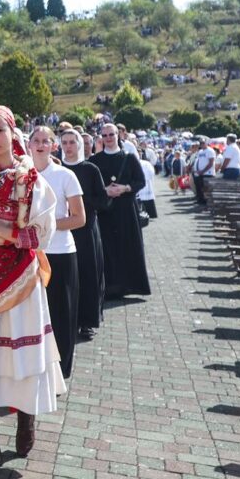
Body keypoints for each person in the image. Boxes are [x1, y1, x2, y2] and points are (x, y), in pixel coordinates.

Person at [0, 106, 65, 473]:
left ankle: (26, 417)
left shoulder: (30, 180)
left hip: (20, 281)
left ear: (13, 132)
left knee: (20, 358)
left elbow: (41, 234)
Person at [29, 127, 85, 379]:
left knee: (61, 313)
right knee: (35, 314)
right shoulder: (23, 174)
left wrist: (47, 225)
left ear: (53, 146)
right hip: (29, 254)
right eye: (36, 141)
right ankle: (37, 368)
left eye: (45, 141)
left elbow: (79, 218)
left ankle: (61, 370)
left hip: (60, 253)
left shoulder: (65, 175)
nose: (40, 145)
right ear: (29, 145)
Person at [88, 123, 152, 299]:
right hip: (105, 211)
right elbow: (91, 187)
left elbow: (140, 181)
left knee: (127, 246)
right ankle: (108, 287)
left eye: (111, 134)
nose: (108, 138)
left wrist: (125, 188)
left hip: (126, 210)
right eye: (105, 135)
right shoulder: (94, 161)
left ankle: (128, 286)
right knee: (107, 249)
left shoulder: (129, 158)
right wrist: (105, 190)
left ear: (118, 136)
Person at [59, 129, 109, 340]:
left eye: (72, 142)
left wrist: (79, 202)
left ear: (79, 145)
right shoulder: (56, 169)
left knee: (88, 274)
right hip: (62, 232)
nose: (68, 146)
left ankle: (88, 321)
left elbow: (104, 201)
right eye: (65, 142)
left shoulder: (90, 169)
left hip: (86, 230)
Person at [191, 140, 216, 205]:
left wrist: (203, 171)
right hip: (199, 173)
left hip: (208, 173)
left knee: (206, 188)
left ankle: (207, 201)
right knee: (199, 187)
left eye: (203, 143)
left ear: (206, 143)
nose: (201, 144)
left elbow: (211, 162)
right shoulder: (200, 151)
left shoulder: (210, 151)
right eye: (200, 143)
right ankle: (200, 200)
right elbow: (198, 161)